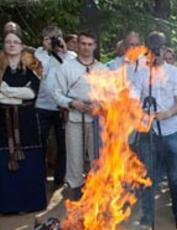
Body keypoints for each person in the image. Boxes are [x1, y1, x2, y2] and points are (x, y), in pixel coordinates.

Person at [132, 31, 177, 226]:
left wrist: (167, 113)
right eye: (153, 48)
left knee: (174, 174)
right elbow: (133, 97)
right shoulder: (140, 70)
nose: (157, 52)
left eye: (160, 48)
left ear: (165, 49)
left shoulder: (174, 72)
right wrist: (141, 112)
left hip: (170, 129)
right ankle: (148, 215)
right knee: (148, 173)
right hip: (148, 130)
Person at [53, 31, 106, 200]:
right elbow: (56, 93)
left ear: (95, 46)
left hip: (96, 120)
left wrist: (99, 105)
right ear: (78, 45)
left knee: (97, 159)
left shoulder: (102, 69)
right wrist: (73, 103)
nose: (86, 48)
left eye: (90, 44)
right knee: (75, 160)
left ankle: (95, 196)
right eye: (83, 44)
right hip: (75, 119)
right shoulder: (67, 67)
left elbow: (110, 94)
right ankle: (75, 195)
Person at [0, 29, 46, 214]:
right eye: (8, 41)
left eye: (16, 41)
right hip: (2, 122)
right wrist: (19, 94)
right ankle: (6, 205)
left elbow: (32, 93)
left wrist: (6, 91)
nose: (12, 44)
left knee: (28, 162)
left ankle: (28, 204)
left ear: (21, 45)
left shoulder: (31, 67)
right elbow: (22, 94)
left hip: (26, 120)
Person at [35, 25, 76, 188]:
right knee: (41, 142)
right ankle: (39, 176)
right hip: (42, 106)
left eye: (55, 38)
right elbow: (41, 73)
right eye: (48, 38)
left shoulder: (70, 56)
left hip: (63, 107)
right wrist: (49, 52)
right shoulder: (38, 55)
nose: (52, 42)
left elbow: (72, 72)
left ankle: (60, 178)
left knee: (63, 144)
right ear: (43, 40)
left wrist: (63, 52)